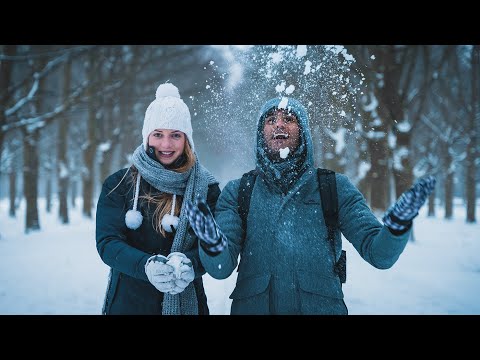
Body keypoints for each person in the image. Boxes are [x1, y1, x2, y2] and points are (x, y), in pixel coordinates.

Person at [185, 96, 436, 315]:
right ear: (261, 133)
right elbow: (220, 269)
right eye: (270, 120)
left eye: (289, 119)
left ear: (303, 131)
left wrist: (396, 227)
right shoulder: (239, 191)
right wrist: (212, 242)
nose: (279, 124)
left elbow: (378, 255)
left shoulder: (333, 187)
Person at [96, 83, 220, 315]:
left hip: (187, 303)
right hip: (128, 304)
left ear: (187, 140)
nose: (166, 144)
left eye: (175, 135)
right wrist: (146, 266)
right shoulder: (120, 185)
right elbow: (108, 243)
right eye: (158, 134)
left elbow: (211, 246)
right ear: (147, 137)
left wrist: (191, 265)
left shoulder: (201, 189)